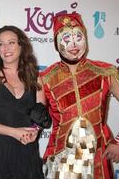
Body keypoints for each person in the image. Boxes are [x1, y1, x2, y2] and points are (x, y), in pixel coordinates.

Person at [41, 13, 119, 178]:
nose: (74, 44)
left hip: (98, 154)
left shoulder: (105, 72)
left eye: (78, 36)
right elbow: (35, 117)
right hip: (62, 156)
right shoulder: (45, 78)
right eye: (66, 38)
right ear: (56, 43)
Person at [0, 25, 50, 179]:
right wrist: (14, 132)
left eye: (11, 42)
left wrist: (35, 131)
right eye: (1, 44)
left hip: (25, 152)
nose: (5, 48)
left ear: (22, 46)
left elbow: (40, 116)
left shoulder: (35, 78)